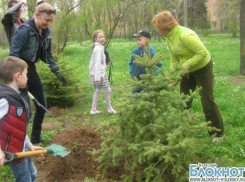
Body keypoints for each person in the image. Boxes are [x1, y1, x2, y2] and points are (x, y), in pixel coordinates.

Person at [152, 11, 224, 141]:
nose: (157, 30)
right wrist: (172, 79)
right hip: (186, 70)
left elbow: (202, 52)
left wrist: (187, 65)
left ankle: (217, 134)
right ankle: (186, 131)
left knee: (207, 101)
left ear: (166, 26)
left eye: (158, 27)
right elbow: (173, 59)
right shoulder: (169, 38)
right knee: (184, 100)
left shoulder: (184, 35)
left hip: (203, 67)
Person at [9, 1, 67, 144]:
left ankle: (35, 137)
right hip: (19, 70)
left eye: (51, 21)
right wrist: (19, 75)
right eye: (47, 20)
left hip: (31, 70)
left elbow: (46, 54)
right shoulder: (25, 30)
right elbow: (13, 53)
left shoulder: (46, 32)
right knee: (25, 110)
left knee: (42, 105)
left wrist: (56, 70)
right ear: (37, 15)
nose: (49, 23)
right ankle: (18, 142)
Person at [0, 56, 44, 181]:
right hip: (13, 151)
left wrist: (30, 145)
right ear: (18, 76)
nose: (27, 77)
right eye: (26, 73)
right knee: (24, 179)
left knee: (33, 174)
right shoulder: (5, 99)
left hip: (21, 147)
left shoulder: (15, 96)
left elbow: (16, 128)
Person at [89, 29, 116, 114]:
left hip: (100, 73)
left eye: (103, 37)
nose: (102, 38)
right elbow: (96, 64)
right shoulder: (98, 49)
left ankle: (93, 109)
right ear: (95, 39)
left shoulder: (99, 48)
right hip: (99, 74)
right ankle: (109, 108)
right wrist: (97, 77)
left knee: (99, 90)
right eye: (100, 37)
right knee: (107, 90)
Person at [129, 29, 163, 94]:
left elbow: (159, 65)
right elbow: (131, 63)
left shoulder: (151, 52)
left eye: (139, 40)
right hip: (136, 80)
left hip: (147, 82)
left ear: (147, 40)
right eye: (137, 40)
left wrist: (152, 76)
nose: (137, 42)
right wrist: (131, 72)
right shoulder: (135, 51)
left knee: (146, 96)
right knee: (135, 95)